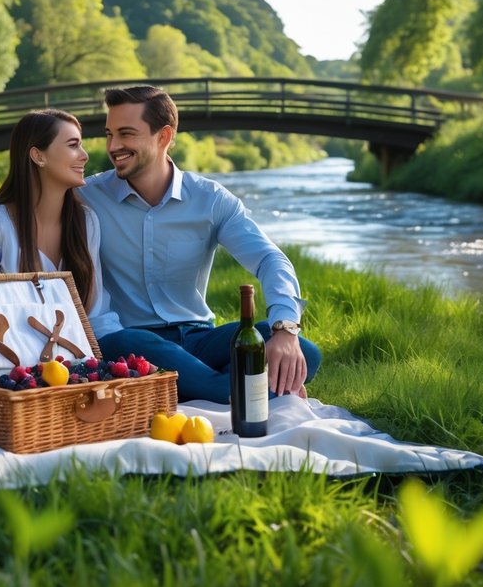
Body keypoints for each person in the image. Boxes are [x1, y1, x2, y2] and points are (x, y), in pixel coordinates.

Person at [80, 85, 321, 403]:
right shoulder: (86, 198)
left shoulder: (210, 199)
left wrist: (285, 329)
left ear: (163, 136)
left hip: (200, 338)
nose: (113, 146)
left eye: (126, 134)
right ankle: (251, 390)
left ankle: (202, 386)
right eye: (109, 134)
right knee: (126, 341)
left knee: (305, 352)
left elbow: (268, 259)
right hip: (131, 342)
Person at [0, 109, 121, 339]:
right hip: (16, 355)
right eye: (73, 145)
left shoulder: (86, 221)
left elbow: (95, 311)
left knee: (144, 346)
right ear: (38, 156)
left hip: (82, 349)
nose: (84, 155)